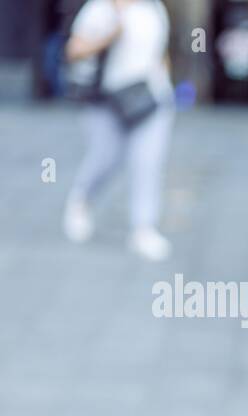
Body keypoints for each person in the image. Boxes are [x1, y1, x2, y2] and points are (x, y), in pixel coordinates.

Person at [63, 0, 174, 261]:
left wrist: (164, 82)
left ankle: (143, 228)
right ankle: (81, 201)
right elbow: (74, 50)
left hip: (149, 99)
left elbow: (160, 50)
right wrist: (111, 35)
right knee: (106, 158)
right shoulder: (100, 9)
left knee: (148, 162)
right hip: (108, 101)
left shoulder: (154, 7)